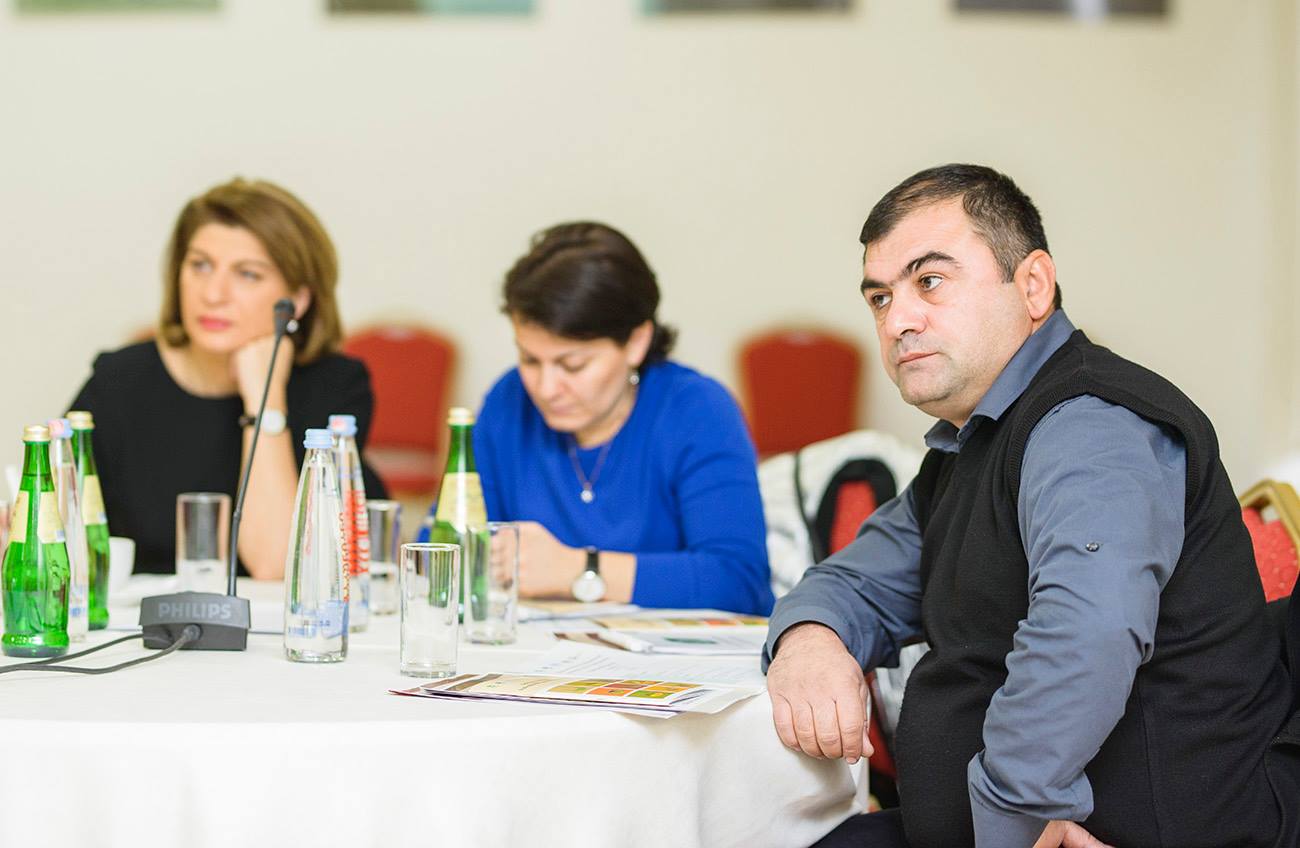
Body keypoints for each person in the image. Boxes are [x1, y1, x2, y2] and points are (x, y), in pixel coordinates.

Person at [764, 164, 1299, 848]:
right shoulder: (972, 443)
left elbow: (1088, 633)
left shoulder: (1091, 426)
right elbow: (859, 580)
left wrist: (1015, 814)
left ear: (1034, 285)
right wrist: (812, 638)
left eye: (930, 281)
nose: (898, 320)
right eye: (879, 297)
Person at [69, 177, 385, 579]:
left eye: (248, 274)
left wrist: (265, 396)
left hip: (274, 619)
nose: (214, 294)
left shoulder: (335, 387)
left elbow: (274, 565)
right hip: (143, 618)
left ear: (297, 300)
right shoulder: (119, 381)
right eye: (200, 265)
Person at [468, 221, 773, 615]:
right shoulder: (508, 400)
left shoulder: (697, 409)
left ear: (636, 342)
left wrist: (578, 570)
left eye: (572, 365)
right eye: (529, 359)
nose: (546, 388)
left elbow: (738, 580)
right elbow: (446, 547)